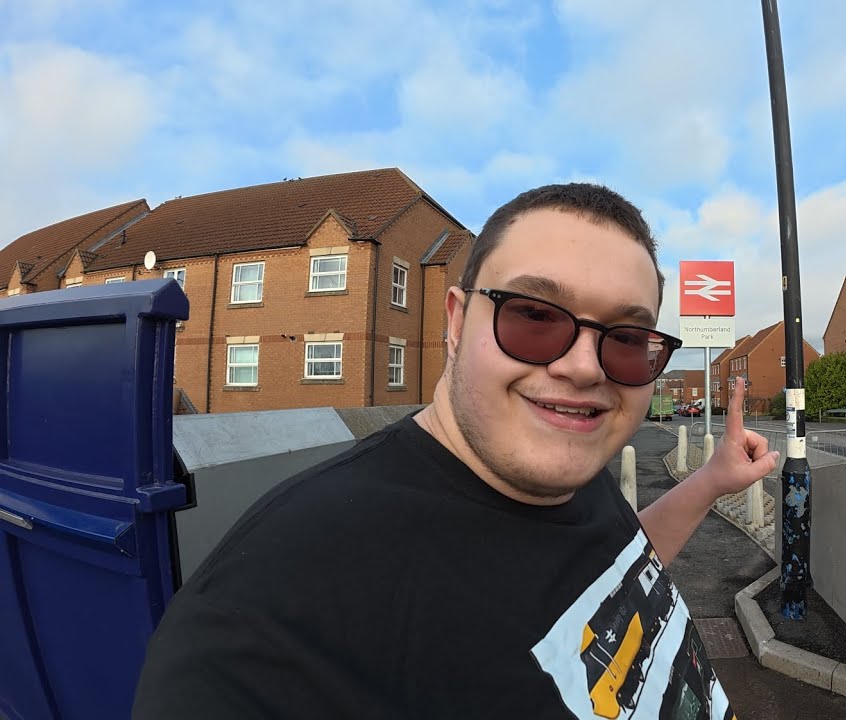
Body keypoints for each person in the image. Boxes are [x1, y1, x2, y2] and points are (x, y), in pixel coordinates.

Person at [132, 183, 779, 719]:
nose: (586, 368)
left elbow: (614, 575)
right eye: (533, 315)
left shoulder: (567, 467)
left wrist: (710, 482)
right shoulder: (273, 617)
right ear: (454, 321)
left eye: (626, 337)